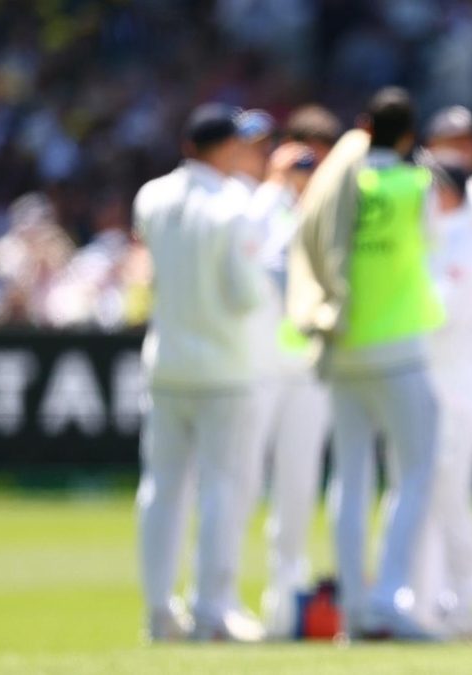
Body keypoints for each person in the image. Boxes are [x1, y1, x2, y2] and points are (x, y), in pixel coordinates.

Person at [286, 87, 441, 641]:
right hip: (398, 347)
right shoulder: (415, 183)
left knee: (350, 475)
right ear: (406, 135)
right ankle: (387, 600)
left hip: (344, 341)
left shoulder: (338, 180)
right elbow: (432, 243)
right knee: (415, 473)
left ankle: (353, 605)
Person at [133, 103, 270, 642]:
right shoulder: (237, 206)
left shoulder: (152, 195)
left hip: (167, 362)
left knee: (162, 489)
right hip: (225, 367)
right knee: (221, 489)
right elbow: (244, 292)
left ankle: (158, 611)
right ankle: (212, 610)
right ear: (228, 148)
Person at [229, 106, 337, 639]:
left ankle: (283, 602)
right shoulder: (255, 204)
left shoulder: (323, 209)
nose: (305, 168)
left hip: (307, 366)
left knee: (298, 486)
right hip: (257, 365)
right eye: (299, 154)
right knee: (241, 480)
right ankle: (218, 596)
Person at [409, 105, 472, 638]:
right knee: (414, 489)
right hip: (417, 369)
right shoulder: (418, 214)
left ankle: (462, 601)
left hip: (464, 369)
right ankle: (419, 602)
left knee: (450, 489)